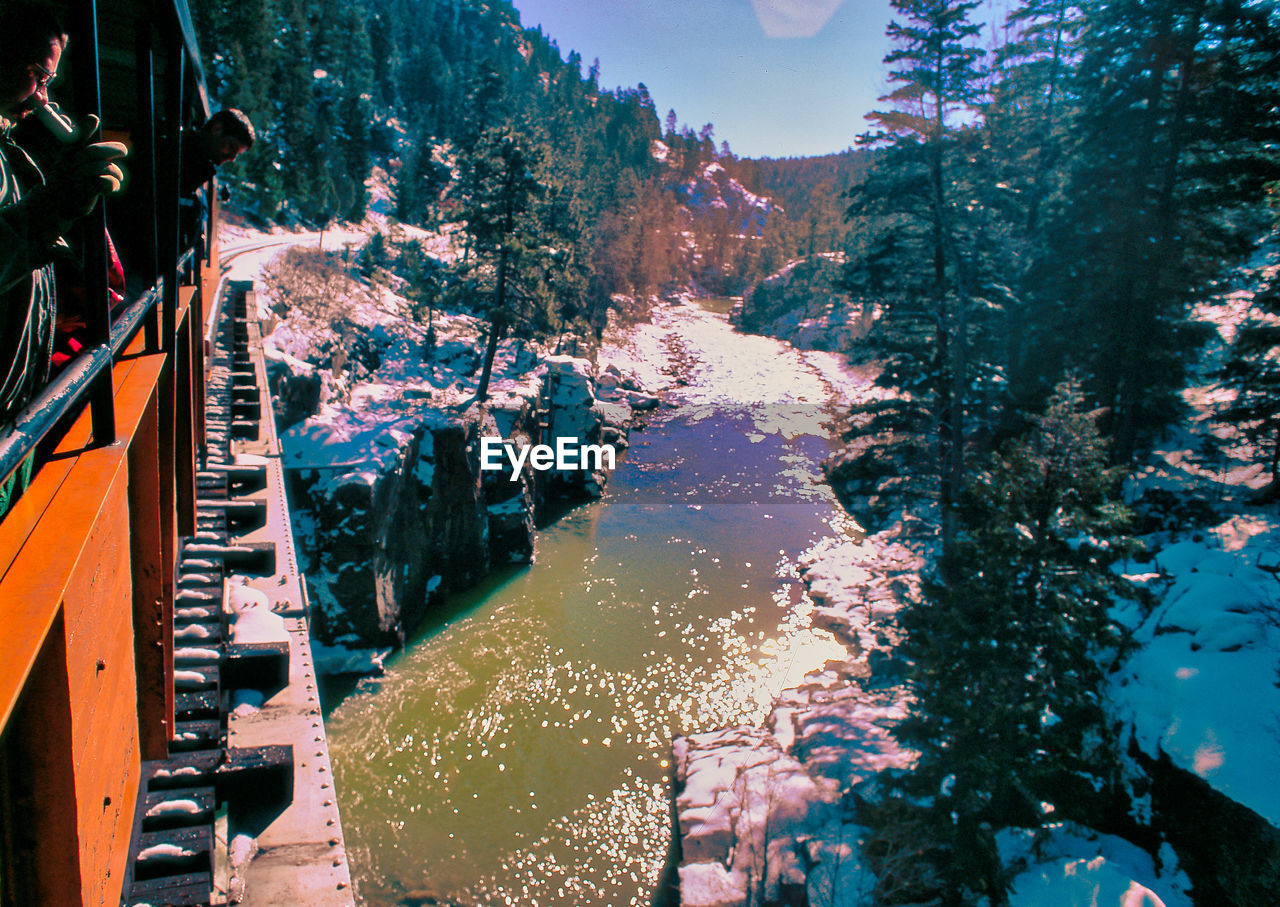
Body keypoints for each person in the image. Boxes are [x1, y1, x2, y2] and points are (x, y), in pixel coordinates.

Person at [0, 5, 126, 508]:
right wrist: (53, 208)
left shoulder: (11, 149)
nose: (43, 96)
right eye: (36, 75)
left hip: (13, 407)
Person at [181, 107, 254, 197]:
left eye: (237, 154)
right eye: (231, 147)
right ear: (216, 129)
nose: (232, 158)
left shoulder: (200, 167)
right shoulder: (183, 151)